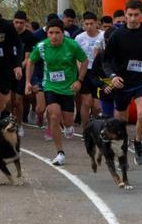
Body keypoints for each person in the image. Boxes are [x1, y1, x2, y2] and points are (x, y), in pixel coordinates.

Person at [101, 0, 142, 166]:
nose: (133, 18)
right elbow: (106, 60)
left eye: (136, 15)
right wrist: (113, 76)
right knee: (121, 124)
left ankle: (138, 142)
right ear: (125, 15)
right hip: (122, 82)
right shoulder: (117, 35)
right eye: (130, 15)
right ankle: (122, 152)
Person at [26, 19, 87, 166]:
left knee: (68, 121)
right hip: (50, 86)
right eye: (51, 33)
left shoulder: (72, 45)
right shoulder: (42, 46)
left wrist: (79, 80)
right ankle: (60, 153)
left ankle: (68, 127)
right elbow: (31, 61)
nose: (54, 36)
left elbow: (84, 61)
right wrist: (28, 81)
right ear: (47, 33)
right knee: (53, 116)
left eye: (57, 33)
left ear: (63, 33)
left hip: (68, 88)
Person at [11, 11, 37, 134]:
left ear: (25, 23)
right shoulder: (9, 33)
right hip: (7, 71)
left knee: (18, 100)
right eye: (16, 22)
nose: (18, 25)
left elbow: (28, 58)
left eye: (21, 23)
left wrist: (18, 67)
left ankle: (19, 124)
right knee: (8, 101)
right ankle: (11, 118)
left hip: (21, 71)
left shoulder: (29, 37)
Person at [75, 12, 103, 125]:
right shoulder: (79, 38)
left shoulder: (103, 35)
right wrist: (80, 70)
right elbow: (76, 56)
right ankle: (85, 128)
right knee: (87, 102)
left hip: (99, 72)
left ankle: (95, 126)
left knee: (97, 106)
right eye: (87, 24)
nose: (89, 26)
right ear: (83, 24)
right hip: (85, 71)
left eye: (91, 23)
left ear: (96, 23)